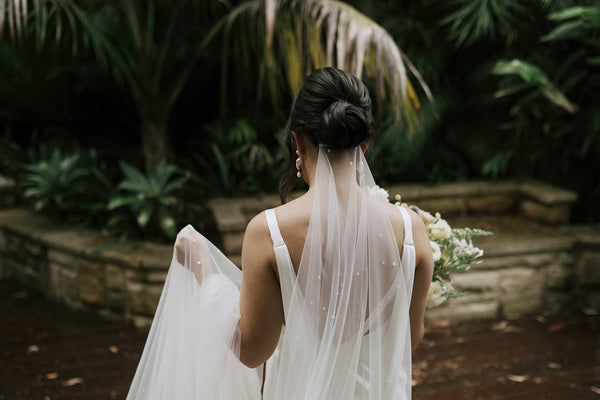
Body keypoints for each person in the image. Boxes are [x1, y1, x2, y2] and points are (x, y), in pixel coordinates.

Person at [126, 67, 434, 400]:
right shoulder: (411, 229)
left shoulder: (268, 232)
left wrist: (203, 267)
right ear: (365, 143)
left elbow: (251, 350)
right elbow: (411, 339)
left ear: (298, 141)